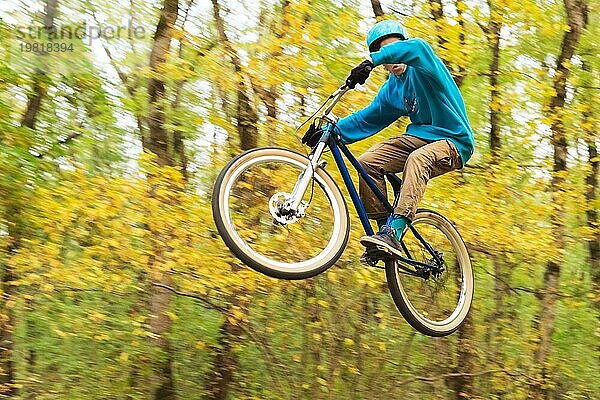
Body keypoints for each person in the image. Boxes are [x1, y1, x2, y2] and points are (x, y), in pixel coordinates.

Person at [335, 19, 474, 256]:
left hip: (454, 141)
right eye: (386, 57)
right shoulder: (392, 89)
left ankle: (395, 230)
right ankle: (383, 234)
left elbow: (417, 48)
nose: (393, 60)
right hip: (420, 138)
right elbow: (368, 118)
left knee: (418, 159)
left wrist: (372, 60)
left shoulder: (424, 65)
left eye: (394, 51)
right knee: (368, 162)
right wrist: (332, 131)